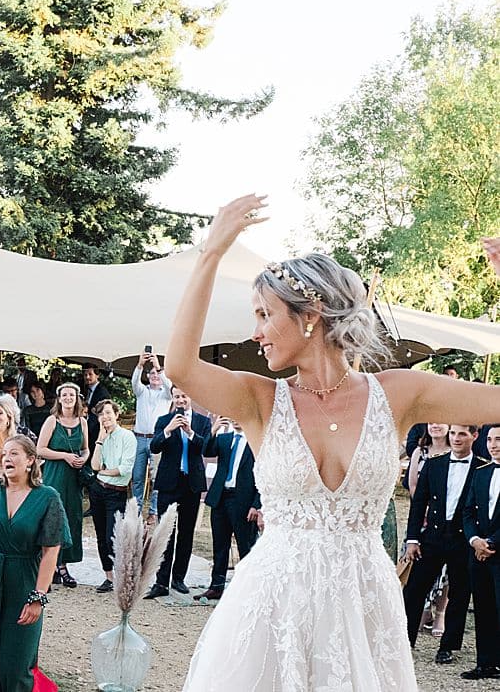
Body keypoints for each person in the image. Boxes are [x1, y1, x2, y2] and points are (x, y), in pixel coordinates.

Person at [170, 193, 500, 690]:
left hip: (363, 604)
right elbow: (181, 367)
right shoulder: (259, 399)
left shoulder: (399, 394)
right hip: (273, 606)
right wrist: (210, 254)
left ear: (310, 314)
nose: (255, 332)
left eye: (265, 314)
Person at [0, 435, 69, 691]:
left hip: (23, 584)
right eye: (5, 453)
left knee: (16, 666)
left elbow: (51, 551)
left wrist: (38, 597)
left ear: (30, 460)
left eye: (14, 454)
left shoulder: (48, 497)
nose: (6, 458)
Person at [402, 424, 482, 665]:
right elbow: (418, 504)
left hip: (462, 539)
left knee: (459, 593)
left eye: (462, 434)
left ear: (474, 436)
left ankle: (448, 647)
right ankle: (405, 641)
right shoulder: (435, 465)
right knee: (414, 589)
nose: (456, 439)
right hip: (434, 536)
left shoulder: (482, 468)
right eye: (453, 433)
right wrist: (413, 538)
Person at [144, 389, 210, 598]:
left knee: (186, 532)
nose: (181, 400)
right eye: (177, 397)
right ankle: (161, 582)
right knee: (165, 532)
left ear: (191, 397)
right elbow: (154, 447)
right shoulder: (164, 420)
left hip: (191, 483)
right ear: (173, 399)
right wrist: (168, 430)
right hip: (169, 483)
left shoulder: (202, 421)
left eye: (184, 396)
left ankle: (178, 578)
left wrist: (190, 432)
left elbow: (205, 447)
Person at [200, 417, 262, 601]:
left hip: (242, 500)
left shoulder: (256, 441)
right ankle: (216, 586)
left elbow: (262, 473)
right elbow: (207, 450)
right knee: (220, 544)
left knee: (246, 545)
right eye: (233, 417)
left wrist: (256, 504)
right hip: (220, 497)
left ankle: (246, 587)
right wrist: (212, 431)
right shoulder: (225, 439)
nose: (236, 421)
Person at [36, 382, 88, 589]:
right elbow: (40, 449)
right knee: (52, 518)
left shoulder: (82, 422)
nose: (68, 398)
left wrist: (83, 458)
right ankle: (48, 566)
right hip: (55, 474)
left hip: (74, 478)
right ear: (59, 398)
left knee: (71, 518)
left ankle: (63, 565)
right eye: (64, 395)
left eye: (71, 395)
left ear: (77, 398)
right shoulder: (52, 421)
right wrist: (64, 456)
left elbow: (85, 448)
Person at [463, 425, 500, 680]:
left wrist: (492, 543)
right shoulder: (481, 473)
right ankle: (485, 663)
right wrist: (475, 540)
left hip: (498, 551)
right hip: (479, 553)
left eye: (498, 439)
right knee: (484, 608)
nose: (493, 444)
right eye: (489, 439)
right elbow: (468, 512)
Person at [86, 399, 134, 593]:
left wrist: (105, 472)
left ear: (116, 414)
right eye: (101, 414)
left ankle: (122, 574)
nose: (104, 417)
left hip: (116, 493)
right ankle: (108, 577)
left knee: (111, 536)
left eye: (108, 413)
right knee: (99, 535)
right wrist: (99, 439)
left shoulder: (127, 437)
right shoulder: (102, 437)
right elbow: (95, 465)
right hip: (98, 490)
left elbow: (124, 469)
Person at [130, 351, 172, 517]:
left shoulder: (166, 394)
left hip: (157, 440)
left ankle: (154, 511)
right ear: (147, 376)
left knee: (157, 478)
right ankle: (136, 509)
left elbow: (170, 386)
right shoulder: (142, 391)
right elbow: (134, 382)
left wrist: (158, 366)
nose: (155, 375)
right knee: (138, 477)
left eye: (157, 373)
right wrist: (140, 364)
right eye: (152, 373)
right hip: (139, 438)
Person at [407, 422, 451, 498]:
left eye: (440, 422)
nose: (435, 425)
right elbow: (413, 485)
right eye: (430, 423)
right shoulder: (419, 452)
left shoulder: (455, 454)